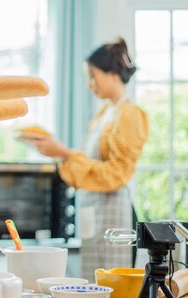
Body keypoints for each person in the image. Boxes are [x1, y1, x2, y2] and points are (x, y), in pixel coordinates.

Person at [30, 38, 149, 281]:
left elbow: (117, 173)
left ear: (112, 74)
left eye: (93, 76)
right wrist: (60, 153)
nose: (89, 84)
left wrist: (65, 153)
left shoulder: (130, 115)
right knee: (93, 283)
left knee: (113, 285)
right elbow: (91, 166)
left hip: (115, 214)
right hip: (95, 212)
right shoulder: (104, 114)